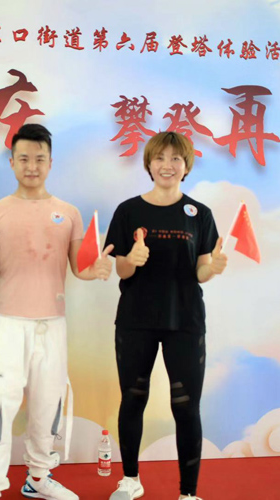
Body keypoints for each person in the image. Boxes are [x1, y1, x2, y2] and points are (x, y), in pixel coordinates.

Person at [0, 123, 113, 500]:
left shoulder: (68, 212)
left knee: (48, 403)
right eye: (24, 158)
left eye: (39, 159)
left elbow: (80, 268)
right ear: (12, 162)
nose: (32, 166)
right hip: (7, 324)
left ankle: (38, 477)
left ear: (51, 163)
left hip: (52, 323)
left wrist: (96, 269)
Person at [104, 131, 228, 500]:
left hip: (185, 321)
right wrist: (131, 259)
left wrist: (213, 268)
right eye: (160, 158)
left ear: (186, 166)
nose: (167, 165)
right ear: (149, 163)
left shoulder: (199, 214)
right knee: (133, 399)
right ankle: (130, 480)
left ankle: (188, 493)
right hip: (136, 319)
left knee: (186, 407)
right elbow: (120, 269)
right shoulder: (128, 211)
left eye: (176, 158)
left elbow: (200, 270)